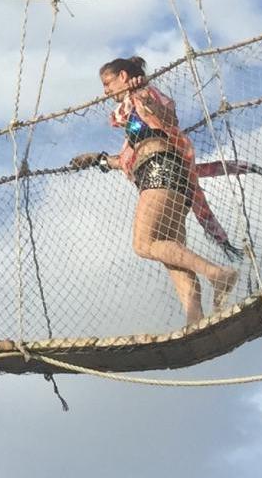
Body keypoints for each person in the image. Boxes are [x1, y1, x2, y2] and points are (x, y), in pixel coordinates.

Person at [69, 57, 238, 327]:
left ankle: (217, 274)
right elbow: (133, 153)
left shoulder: (145, 94)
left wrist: (143, 91)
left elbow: (167, 118)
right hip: (170, 176)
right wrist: (97, 159)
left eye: (107, 83)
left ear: (123, 76)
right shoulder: (132, 111)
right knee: (170, 252)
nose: (105, 91)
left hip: (161, 171)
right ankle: (195, 319)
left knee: (144, 244)